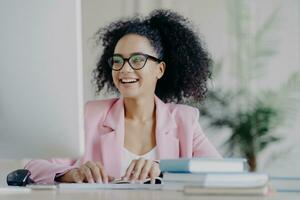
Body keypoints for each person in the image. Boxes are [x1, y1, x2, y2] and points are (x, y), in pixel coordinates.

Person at [25, 9, 221, 184]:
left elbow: (219, 170)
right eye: (117, 60)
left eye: (137, 59)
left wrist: (162, 169)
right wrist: (71, 174)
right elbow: (33, 167)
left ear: (159, 69)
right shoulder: (91, 115)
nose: (124, 69)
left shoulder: (184, 120)